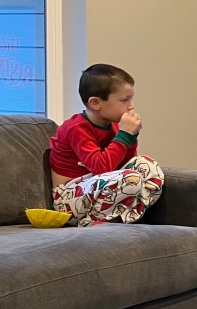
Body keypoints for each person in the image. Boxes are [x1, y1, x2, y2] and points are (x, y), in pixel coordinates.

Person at [49, 63, 164, 227]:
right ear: (95, 103)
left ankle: (125, 216)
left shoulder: (115, 125)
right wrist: (124, 136)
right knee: (129, 178)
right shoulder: (76, 128)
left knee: (148, 165)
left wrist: (131, 136)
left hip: (100, 188)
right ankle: (90, 222)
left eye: (131, 99)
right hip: (69, 197)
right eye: (124, 100)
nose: (131, 106)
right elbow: (101, 168)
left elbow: (125, 163)